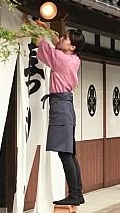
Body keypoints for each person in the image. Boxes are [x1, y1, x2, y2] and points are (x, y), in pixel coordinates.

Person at [33, 21, 86, 206]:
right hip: (66, 105)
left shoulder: (61, 59)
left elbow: (41, 44)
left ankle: (74, 194)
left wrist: (32, 27)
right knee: (69, 153)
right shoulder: (73, 58)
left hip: (60, 106)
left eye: (65, 38)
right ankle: (78, 193)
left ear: (72, 47)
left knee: (65, 154)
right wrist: (48, 30)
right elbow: (57, 43)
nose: (61, 39)